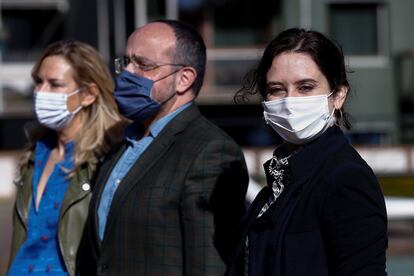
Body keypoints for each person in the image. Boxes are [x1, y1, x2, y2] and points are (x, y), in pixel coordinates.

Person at [76, 19, 249, 275]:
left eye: (143, 65)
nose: (128, 73)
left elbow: (208, 264)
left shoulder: (211, 152)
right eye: (126, 62)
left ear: (184, 79)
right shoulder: (122, 143)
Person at [226, 28, 388, 276]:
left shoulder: (346, 179)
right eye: (277, 89)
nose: (290, 101)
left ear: (338, 96)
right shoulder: (276, 184)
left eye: (305, 87)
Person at [7, 40, 126, 276]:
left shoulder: (107, 159)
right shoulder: (35, 155)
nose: (40, 92)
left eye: (55, 84)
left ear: (89, 94)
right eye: (39, 82)